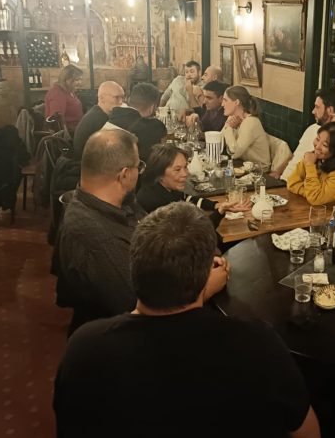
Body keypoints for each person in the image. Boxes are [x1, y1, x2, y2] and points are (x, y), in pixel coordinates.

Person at [54, 202, 320, 438]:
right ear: (204, 275)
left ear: (133, 264)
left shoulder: (83, 348)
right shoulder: (257, 344)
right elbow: (305, 430)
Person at [52, 129, 228, 336]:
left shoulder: (121, 202)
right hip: (127, 339)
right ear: (125, 174)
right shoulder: (97, 237)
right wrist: (206, 288)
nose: (140, 172)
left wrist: (200, 259)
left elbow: (158, 239)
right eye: (139, 166)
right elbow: (145, 312)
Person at [137, 144, 250, 226]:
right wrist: (220, 211)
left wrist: (216, 205)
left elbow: (187, 199)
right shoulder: (155, 203)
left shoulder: (165, 188)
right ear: (159, 173)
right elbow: (194, 233)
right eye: (177, 169)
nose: (185, 174)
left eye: (185, 167)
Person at [287, 122, 335, 214]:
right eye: (317, 139)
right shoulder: (316, 157)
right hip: (320, 211)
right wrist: (309, 193)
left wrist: (310, 165)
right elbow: (292, 183)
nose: (317, 146)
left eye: (325, 145)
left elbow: (315, 198)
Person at [281, 88, 335, 181]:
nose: (313, 111)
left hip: (302, 185)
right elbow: (295, 157)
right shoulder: (312, 128)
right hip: (284, 180)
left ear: (330, 110)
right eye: (318, 139)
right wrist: (278, 172)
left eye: (317, 107)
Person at [103, 82, 167, 161]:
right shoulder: (154, 127)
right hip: (124, 167)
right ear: (152, 107)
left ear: (129, 100)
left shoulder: (113, 117)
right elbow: (162, 155)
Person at [221, 85, 271, 169]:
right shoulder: (232, 118)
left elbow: (234, 153)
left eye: (225, 100)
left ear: (236, 102)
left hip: (259, 171)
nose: (222, 104)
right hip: (242, 165)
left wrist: (229, 128)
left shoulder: (251, 122)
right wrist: (229, 127)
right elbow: (219, 142)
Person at [72, 81, 125, 159]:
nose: (121, 102)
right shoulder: (98, 119)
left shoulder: (98, 113)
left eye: (122, 97)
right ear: (102, 98)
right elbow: (113, 150)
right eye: (116, 97)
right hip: (86, 163)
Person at [44, 64, 84, 132]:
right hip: (71, 132)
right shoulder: (57, 94)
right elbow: (57, 121)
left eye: (80, 79)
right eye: (77, 80)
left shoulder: (68, 91)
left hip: (78, 128)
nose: (80, 82)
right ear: (66, 80)